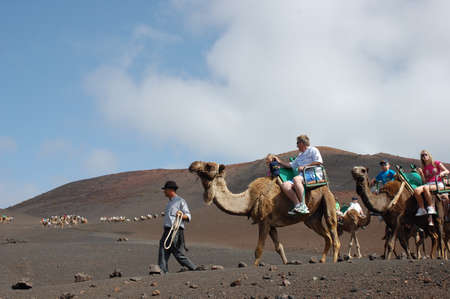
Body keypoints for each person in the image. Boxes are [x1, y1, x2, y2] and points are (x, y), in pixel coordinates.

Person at [274, 134, 323, 215]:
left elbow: (319, 162)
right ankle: (297, 205)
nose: (297, 146)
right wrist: (279, 161)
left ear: (302, 143)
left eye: (297, 143)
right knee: (285, 185)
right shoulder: (300, 156)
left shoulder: (313, 150)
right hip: (303, 176)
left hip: (313, 174)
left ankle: (303, 205)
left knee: (296, 179)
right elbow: (291, 165)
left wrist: (304, 167)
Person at [158, 180, 199, 273]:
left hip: (175, 230)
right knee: (164, 249)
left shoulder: (180, 201)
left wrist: (180, 214)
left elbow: (188, 217)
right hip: (168, 230)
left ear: (170, 190)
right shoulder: (169, 203)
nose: (164, 191)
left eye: (165, 190)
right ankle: (163, 270)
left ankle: (193, 267)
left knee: (176, 252)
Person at [414, 150, 449, 225]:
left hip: (438, 183)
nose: (424, 156)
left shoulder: (436, 163)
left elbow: (447, 171)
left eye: (425, 154)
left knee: (426, 188)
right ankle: (422, 208)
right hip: (428, 184)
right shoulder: (424, 168)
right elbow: (425, 181)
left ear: (429, 155)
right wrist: (421, 174)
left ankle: (431, 208)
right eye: (422, 156)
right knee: (416, 190)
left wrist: (442, 173)